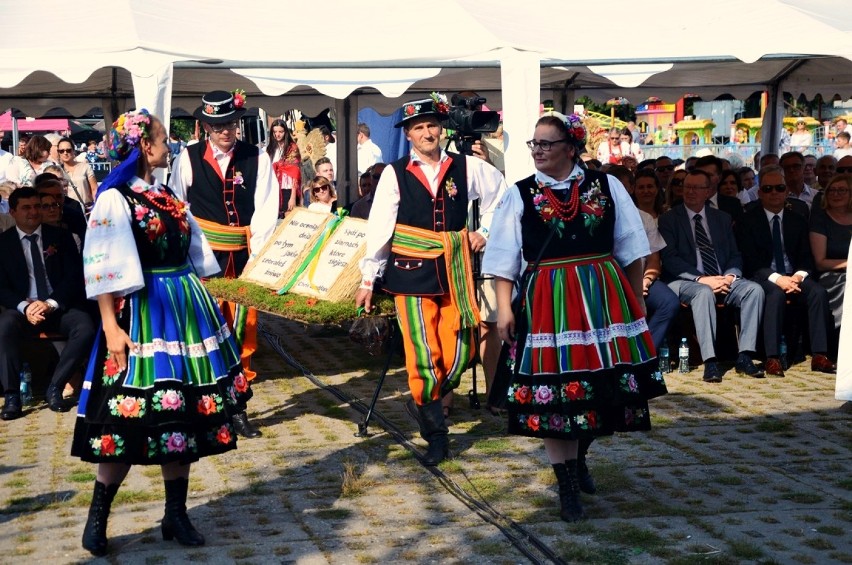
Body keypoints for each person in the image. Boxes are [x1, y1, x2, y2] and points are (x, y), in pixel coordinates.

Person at [71, 109, 253, 556]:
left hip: (185, 309)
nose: (167, 143)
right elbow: (103, 268)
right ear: (142, 147)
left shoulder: (165, 192)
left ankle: (175, 513)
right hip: (144, 313)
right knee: (128, 417)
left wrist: (210, 299)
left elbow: (195, 252)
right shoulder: (117, 200)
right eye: (160, 137)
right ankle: (98, 516)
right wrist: (112, 328)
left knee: (182, 415)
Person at [482, 112, 667, 522]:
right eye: (534, 144)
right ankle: (566, 485)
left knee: (600, 391)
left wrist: (634, 302)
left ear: (571, 147)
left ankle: (580, 453)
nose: (538, 151)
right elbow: (503, 257)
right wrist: (504, 308)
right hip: (548, 302)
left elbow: (631, 248)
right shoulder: (521, 193)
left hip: (602, 299)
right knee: (556, 394)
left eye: (547, 143)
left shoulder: (608, 186)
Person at [355, 93, 504, 466]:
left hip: (454, 271)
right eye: (418, 127)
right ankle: (436, 435)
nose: (427, 133)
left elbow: (501, 196)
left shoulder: (466, 166)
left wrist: (483, 230)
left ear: (441, 129)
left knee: (460, 353)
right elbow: (380, 229)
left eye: (432, 126)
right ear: (408, 134)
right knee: (423, 352)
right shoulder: (394, 172)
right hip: (409, 272)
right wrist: (369, 278)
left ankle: (422, 401)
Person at [171, 90, 277, 439]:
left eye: (230, 123)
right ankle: (206, 407)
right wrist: (187, 257)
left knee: (243, 330)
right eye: (217, 125)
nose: (225, 131)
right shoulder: (187, 158)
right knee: (203, 331)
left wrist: (258, 257)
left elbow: (265, 209)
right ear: (204, 126)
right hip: (203, 258)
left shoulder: (256, 157)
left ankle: (239, 408)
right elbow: (178, 209)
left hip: (243, 254)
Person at [658, 170, 765, 383]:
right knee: (704, 293)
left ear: (708, 191)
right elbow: (670, 259)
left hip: (721, 277)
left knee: (754, 290)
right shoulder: (669, 219)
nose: (690, 191)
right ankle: (710, 361)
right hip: (685, 281)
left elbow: (735, 254)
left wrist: (730, 276)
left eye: (697, 187)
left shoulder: (722, 218)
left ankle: (744, 355)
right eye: (687, 186)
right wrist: (702, 279)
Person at [0, 186, 96, 420]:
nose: (33, 212)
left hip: (56, 307)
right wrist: (25, 306)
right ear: (12, 211)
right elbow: (1, 287)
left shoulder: (61, 238)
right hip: (22, 310)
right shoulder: (3, 243)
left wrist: (51, 303)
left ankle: (56, 386)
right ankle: (12, 395)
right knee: (4, 325)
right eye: (26, 208)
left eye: (36, 206)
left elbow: (74, 277)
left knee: (84, 327)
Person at [736, 165, 835, 377]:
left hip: (794, 275)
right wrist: (778, 279)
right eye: (768, 188)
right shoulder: (747, 221)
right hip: (764, 276)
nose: (774, 193)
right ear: (760, 192)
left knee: (817, 292)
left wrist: (798, 277)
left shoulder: (797, 220)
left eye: (779, 188)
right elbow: (750, 261)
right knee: (774, 295)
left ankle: (819, 354)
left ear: (786, 192)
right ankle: (772, 357)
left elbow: (806, 257)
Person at [810, 173, 852, 343]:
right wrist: (848, 265)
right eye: (832, 190)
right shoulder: (821, 219)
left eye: (842, 190)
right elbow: (820, 262)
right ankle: (842, 340)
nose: (836, 194)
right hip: (831, 275)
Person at [265, 118, 301, 216]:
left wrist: (293, 196)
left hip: (288, 187)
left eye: (280, 131)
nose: (277, 134)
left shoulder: (292, 148)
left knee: (289, 215)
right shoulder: (270, 149)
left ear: (285, 132)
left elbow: (295, 173)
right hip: (274, 187)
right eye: (275, 132)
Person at [57, 136, 97, 209]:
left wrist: (96, 206)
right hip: (67, 209)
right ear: (59, 153)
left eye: (68, 150)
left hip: (86, 208)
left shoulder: (85, 167)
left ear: (73, 151)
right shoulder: (57, 170)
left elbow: (94, 188)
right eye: (61, 151)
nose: (65, 153)